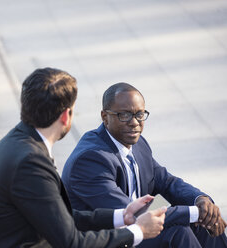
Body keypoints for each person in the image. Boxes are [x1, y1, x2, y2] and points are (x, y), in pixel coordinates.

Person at [0, 69, 167, 248]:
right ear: (66, 116)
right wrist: (138, 231)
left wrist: (122, 216)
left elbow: (58, 216)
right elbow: (71, 242)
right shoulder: (30, 162)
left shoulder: (19, 140)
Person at [62, 82, 227, 247]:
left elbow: (167, 183)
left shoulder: (137, 143)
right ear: (105, 117)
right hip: (109, 239)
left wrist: (200, 201)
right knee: (178, 231)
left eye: (140, 114)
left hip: (136, 230)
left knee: (204, 224)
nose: (134, 122)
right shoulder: (90, 160)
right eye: (124, 115)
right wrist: (194, 212)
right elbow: (131, 214)